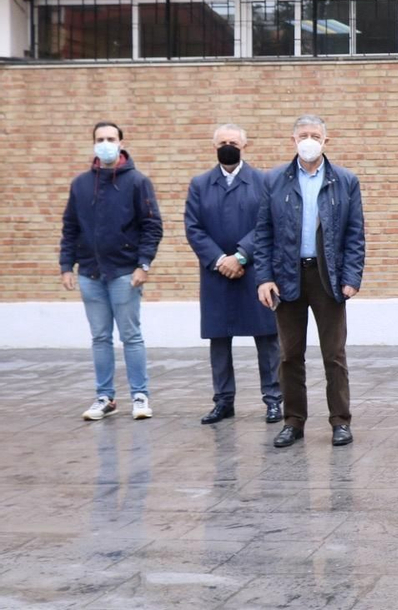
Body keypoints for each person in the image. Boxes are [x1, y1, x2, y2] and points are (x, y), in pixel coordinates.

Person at [252, 115, 365, 448]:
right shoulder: (274, 180)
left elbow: (355, 233)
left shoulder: (345, 180)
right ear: (293, 140)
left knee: (334, 355)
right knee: (289, 355)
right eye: (303, 135)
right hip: (286, 276)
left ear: (326, 140)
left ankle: (340, 421)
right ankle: (293, 421)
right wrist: (264, 278)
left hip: (328, 277)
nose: (309, 140)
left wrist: (351, 277)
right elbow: (263, 233)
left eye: (315, 135)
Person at [61, 121, 163, 422]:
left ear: (121, 143)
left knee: (131, 336)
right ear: (93, 143)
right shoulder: (80, 184)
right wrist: (66, 265)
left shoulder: (137, 182)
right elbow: (70, 227)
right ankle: (105, 397)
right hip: (90, 273)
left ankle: (140, 395)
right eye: (100, 139)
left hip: (124, 273)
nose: (105, 143)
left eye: (110, 138)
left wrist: (143, 264)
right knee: (100, 337)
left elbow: (152, 226)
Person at [184, 123, 281, 425]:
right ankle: (223, 401)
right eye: (223, 142)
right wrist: (219, 260)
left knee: (267, 337)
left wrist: (240, 256)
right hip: (216, 274)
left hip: (255, 270)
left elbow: (268, 223)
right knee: (219, 338)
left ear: (245, 146)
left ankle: (274, 400)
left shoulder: (263, 181)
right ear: (214, 147)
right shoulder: (200, 184)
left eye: (234, 143)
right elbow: (193, 227)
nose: (228, 147)